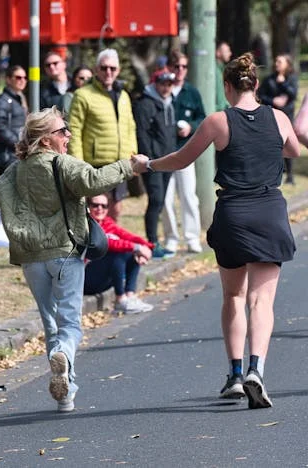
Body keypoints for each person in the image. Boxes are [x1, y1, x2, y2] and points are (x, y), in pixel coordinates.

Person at [132, 53, 300, 409]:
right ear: (256, 84)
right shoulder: (280, 118)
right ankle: (258, 369)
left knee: (234, 297)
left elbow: (180, 159)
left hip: (233, 215)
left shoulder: (218, 122)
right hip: (269, 210)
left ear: (227, 86)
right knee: (262, 300)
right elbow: (294, 149)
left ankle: (235, 375)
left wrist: (147, 165)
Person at [0, 107, 136, 413]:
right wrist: (128, 166)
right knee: (70, 324)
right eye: (61, 131)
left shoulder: (16, 169)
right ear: (45, 139)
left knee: (51, 322)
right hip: (65, 253)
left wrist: (17, 204)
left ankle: (66, 395)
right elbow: (94, 180)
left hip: (30, 258)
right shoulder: (61, 164)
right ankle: (64, 357)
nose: (67, 136)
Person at [68, 49, 137, 221]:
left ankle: (112, 246)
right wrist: (77, 163)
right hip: (96, 164)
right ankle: (95, 246)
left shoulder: (124, 96)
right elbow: (74, 130)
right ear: (96, 69)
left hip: (121, 162)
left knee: (116, 209)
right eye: (104, 67)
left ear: (118, 71)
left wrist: (132, 158)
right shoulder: (83, 94)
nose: (108, 72)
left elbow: (130, 127)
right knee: (97, 210)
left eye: (113, 68)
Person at [162, 50, 205, 254]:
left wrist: (190, 126)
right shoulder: (162, 89)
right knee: (166, 198)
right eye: (176, 66)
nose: (180, 70)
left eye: (184, 67)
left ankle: (192, 237)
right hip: (165, 152)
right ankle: (171, 237)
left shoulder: (192, 92)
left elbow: (202, 118)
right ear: (169, 67)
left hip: (186, 152)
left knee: (188, 196)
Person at [84, 193, 154, 314]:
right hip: (87, 279)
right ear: (88, 207)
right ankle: (120, 300)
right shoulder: (86, 226)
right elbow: (108, 243)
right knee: (118, 253)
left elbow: (127, 236)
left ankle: (130, 295)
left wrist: (147, 247)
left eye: (104, 206)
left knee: (131, 254)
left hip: (103, 279)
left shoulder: (107, 223)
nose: (100, 209)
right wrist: (136, 247)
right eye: (95, 205)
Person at [133, 71, 177, 258]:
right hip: (153, 162)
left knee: (161, 201)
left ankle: (155, 242)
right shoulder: (145, 103)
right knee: (156, 199)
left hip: (167, 160)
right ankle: (152, 242)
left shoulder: (169, 102)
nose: (167, 87)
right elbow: (142, 134)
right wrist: (149, 161)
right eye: (163, 83)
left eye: (170, 83)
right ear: (155, 83)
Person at [258, 54, 298, 184]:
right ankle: (276, 172)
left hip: (287, 116)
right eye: (276, 61)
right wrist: (273, 100)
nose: (277, 64)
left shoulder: (291, 79)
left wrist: (283, 83)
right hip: (271, 116)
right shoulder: (269, 79)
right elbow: (260, 96)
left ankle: (290, 175)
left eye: (280, 62)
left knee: (287, 143)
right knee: (273, 145)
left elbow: (293, 94)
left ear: (287, 64)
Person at [0, 65, 28, 174]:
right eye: (18, 77)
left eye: (24, 78)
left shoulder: (20, 99)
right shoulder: (2, 101)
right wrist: (18, 143)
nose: (22, 80)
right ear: (8, 79)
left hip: (18, 153)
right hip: (7, 155)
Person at [216, 42, 232, 111]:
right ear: (218, 52)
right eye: (227, 51)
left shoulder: (222, 69)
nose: (230, 53)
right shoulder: (214, 70)